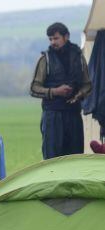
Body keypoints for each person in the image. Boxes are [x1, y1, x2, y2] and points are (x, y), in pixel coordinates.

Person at [30, 22, 92, 159]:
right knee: (52, 159)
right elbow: (34, 88)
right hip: (52, 116)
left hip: (73, 115)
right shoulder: (45, 59)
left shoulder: (78, 56)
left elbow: (87, 84)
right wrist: (55, 91)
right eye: (50, 39)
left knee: (75, 157)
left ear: (66, 37)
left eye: (56, 38)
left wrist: (78, 95)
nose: (53, 42)